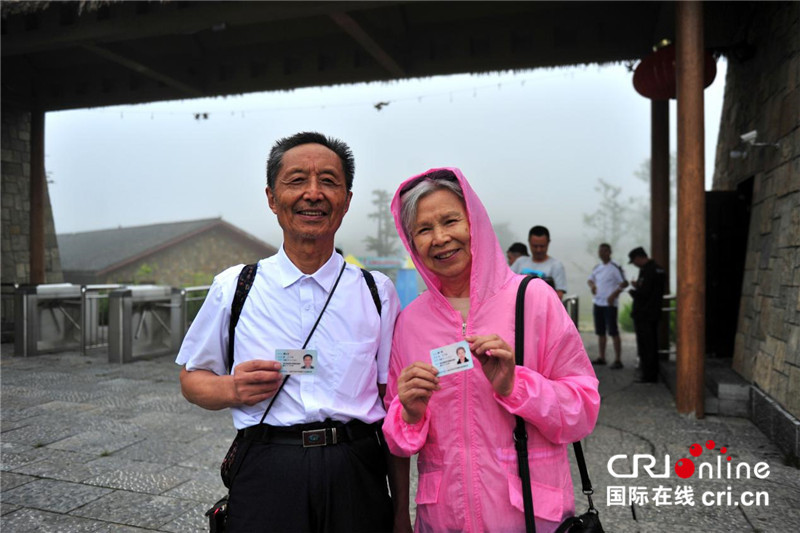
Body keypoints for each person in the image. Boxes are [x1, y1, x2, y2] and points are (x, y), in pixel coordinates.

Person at [176, 131, 406, 532]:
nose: (313, 193)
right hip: (268, 467)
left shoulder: (377, 292)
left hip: (357, 469)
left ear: (347, 200)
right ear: (271, 197)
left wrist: (401, 513)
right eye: (297, 180)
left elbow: (392, 405)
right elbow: (192, 378)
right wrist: (230, 389)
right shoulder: (236, 287)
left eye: (329, 181)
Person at [383, 168, 600, 533]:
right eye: (423, 229)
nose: (440, 238)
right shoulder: (411, 322)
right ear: (411, 241)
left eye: (451, 220)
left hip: (529, 517)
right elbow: (397, 435)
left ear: (475, 224)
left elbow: (582, 410)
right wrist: (410, 413)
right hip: (445, 519)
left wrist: (515, 386)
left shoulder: (533, 300)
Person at [587, 243, 629, 369]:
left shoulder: (615, 267)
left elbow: (624, 283)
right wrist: (592, 286)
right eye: (601, 251)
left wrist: (614, 294)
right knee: (600, 332)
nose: (602, 253)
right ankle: (602, 357)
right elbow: (590, 279)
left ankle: (618, 359)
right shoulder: (597, 267)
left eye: (605, 251)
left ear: (609, 252)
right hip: (598, 302)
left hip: (610, 304)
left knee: (613, 331)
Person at [628, 246, 666, 383]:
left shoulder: (648, 271)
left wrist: (633, 291)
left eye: (634, 261)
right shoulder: (658, 269)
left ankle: (649, 375)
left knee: (646, 346)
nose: (635, 264)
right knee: (652, 345)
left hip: (644, 314)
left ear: (639, 258)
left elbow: (645, 293)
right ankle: (651, 373)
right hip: (653, 313)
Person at [510, 226, 568, 299]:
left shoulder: (556, 266)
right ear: (529, 242)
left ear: (548, 243)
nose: (538, 250)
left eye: (542, 246)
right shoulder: (520, 262)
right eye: (535, 246)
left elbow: (559, 295)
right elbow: (507, 284)